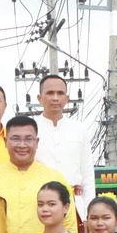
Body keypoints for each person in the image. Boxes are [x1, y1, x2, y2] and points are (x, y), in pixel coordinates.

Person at [0, 116, 75, 233]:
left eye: (28, 139)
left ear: (37, 142)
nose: (22, 145)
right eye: (16, 139)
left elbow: (69, 224)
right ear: (5, 141)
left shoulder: (55, 178)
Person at [33, 74, 95, 206]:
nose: (55, 98)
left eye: (60, 93)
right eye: (50, 93)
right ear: (40, 98)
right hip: (41, 206)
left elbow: (87, 175)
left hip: (75, 203)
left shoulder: (79, 129)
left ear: (67, 99)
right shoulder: (30, 129)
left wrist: (89, 209)